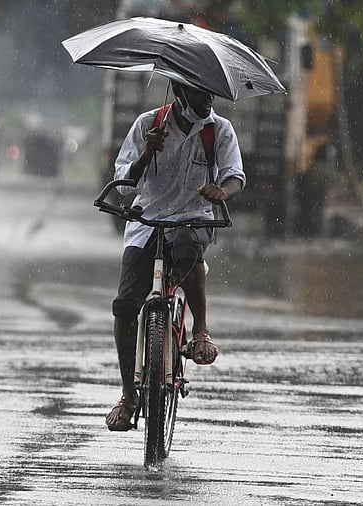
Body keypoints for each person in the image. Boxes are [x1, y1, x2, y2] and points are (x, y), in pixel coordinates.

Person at [105, 80, 245, 431]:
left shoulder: (219, 130)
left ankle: (201, 330)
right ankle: (128, 395)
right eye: (199, 92)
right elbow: (126, 181)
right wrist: (147, 154)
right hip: (146, 220)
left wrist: (220, 192)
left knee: (185, 248)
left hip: (194, 218)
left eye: (210, 92)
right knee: (124, 306)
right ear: (179, 92)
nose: (208, 98)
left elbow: (235, 177)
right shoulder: (147, 125)